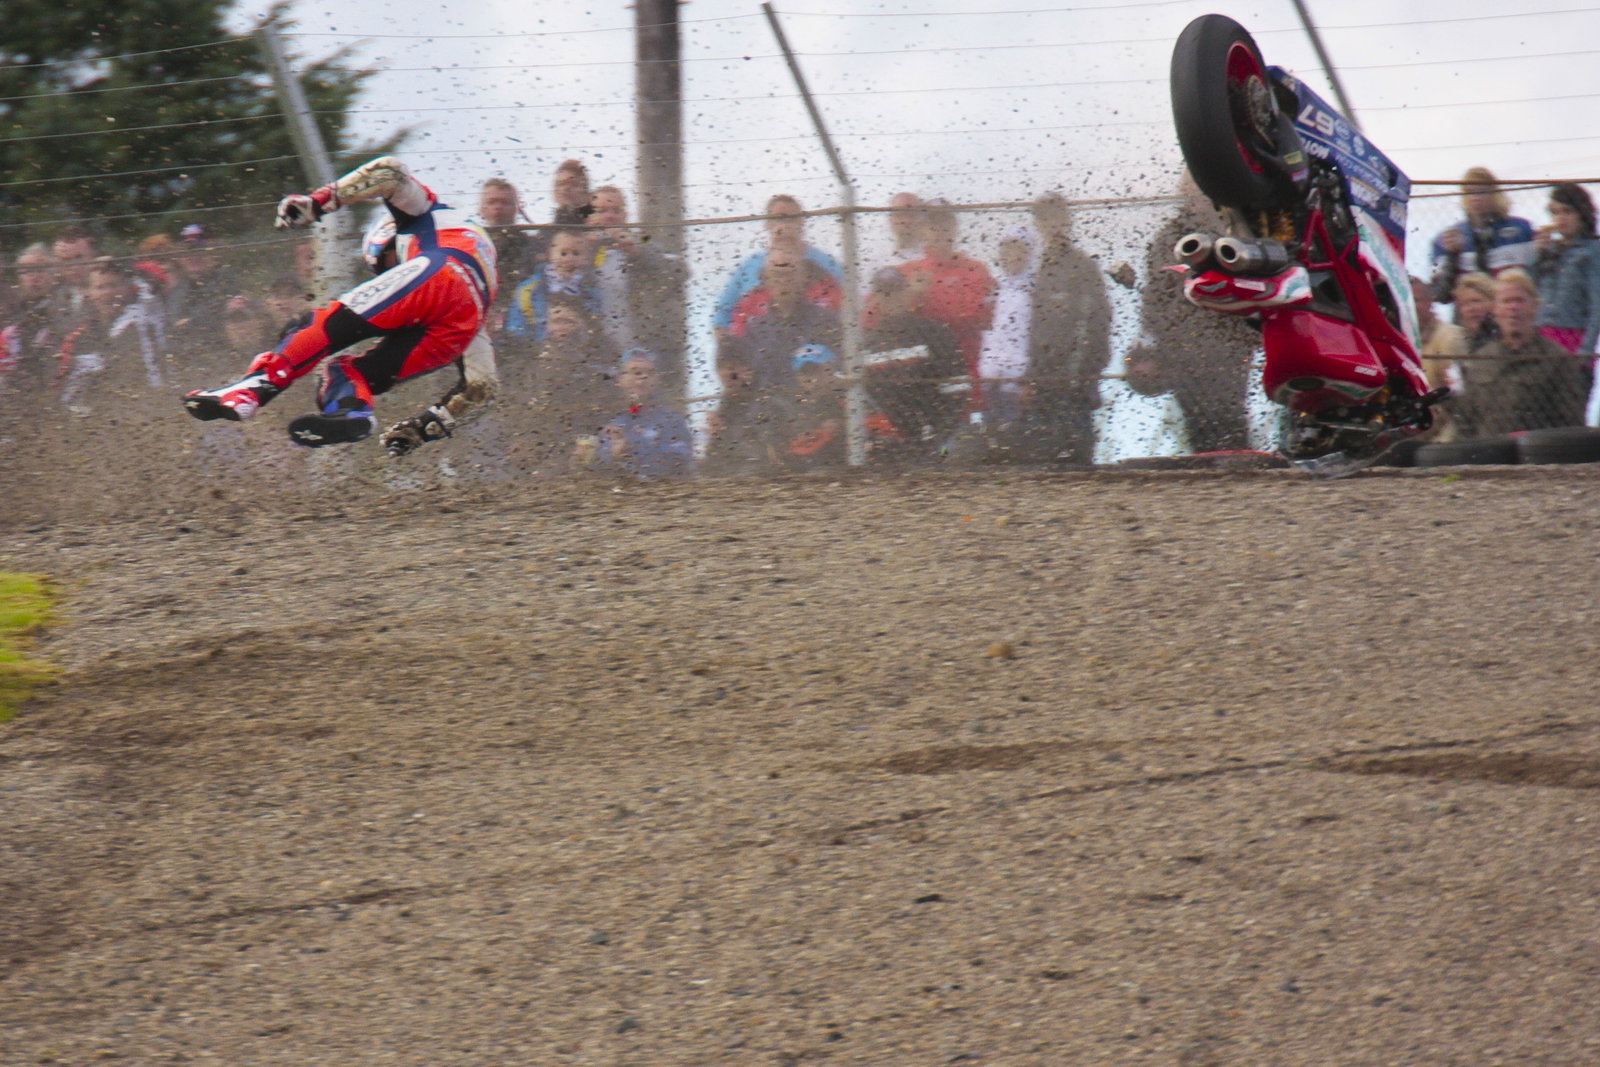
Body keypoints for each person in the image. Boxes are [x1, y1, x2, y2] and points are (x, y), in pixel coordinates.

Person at [181, 155, 499, 456]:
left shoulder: (423, 217)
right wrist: (420, 430)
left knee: (318, 325)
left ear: (388, 241)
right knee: (342, 370)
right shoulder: (469, 266)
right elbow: (482, 388)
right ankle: (352, 411)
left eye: (384, 266)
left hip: (438, 273)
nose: (386, 275)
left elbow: (388, 171)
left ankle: (252, 389)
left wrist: (318, 202)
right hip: (463, 324)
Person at [1123, 175, 1258, 454]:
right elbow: (1155, 291)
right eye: (1187, 184)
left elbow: (1250, 281)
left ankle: (1236, 459)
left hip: (1227, 344)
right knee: (1195, 415)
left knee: (1228, 410)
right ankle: (1204, 460)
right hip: (1181, 348)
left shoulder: (1229, 228)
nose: (1190, 191)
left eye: (1196, 184)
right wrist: (1158, 337)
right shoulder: (1168, 237)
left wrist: (1248, 334)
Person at [1024, 190, 1113, 463]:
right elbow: (1035, 326)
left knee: (1077, 453)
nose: (1052, 226)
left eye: (1057, 218)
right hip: (1044, 379)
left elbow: (1096, 322)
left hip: (1075, 380)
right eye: (1045, 220)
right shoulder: (1040, 267)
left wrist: (1077, 373)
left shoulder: (1082, 267)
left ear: (1067, 221)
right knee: (1042, 455)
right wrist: (1034, 372)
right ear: (1038, 225)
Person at [1452, 268, 1591, 436]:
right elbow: (1465, 421)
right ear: (1495, 309)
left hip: (1538, 457)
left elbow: (1572, 423)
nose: (1513, 308)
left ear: (1534, 306)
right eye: (1506, 301)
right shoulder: (1480, 361)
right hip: (1488, 456)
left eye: (1519, 301)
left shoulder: (1557, 359)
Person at [585, 184, 686, 393]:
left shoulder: (642, 242)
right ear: (589, 216)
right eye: (601, 211)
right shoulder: (580, 251)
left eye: (616, 210)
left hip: (642, 357)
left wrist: (636, 253)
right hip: (596, 356)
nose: (609, 217)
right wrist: (587, 248)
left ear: (626, 215)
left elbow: (678, 271)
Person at [861, 266, 965, 459]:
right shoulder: (866, 342)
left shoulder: (935, 332)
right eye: (884, 293)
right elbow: (861, 398)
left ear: (907, 293)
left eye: (896, 291)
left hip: (934, 436)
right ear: (875, 298)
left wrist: (939, 435)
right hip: (885, 440)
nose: (891, 298)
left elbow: (958, 390)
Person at [719, 244, 842, 399]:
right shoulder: (755, 331)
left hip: (817, 412)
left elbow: (842, 374)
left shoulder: (828, 322)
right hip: (769, 416)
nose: (783, 281)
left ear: (804, 277)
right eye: (777, 275)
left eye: (790, 274)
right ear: (765, 281)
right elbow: (748, 386)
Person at [713, 194, 843, 339]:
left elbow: (849, 311)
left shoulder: (827, 265)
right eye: (779, 218)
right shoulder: (749, 267)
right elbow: (721, 317)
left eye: (792, 218)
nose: (785, 225)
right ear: (767, 223)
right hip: (759, 349)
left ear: (802, 223)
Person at [1429, 167, 1536, 307]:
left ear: (1495, 194)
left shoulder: (1521, 229)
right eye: (1470, 192)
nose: (1476, 198)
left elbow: (1535, 283)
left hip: (1511, 313)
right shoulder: (1447, 238)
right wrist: (1452, 255)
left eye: (1482, 191)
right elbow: (1441, 295)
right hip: (1468, 319)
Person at [584, 349, 694, 479]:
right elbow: (596, 470)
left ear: (657, 379)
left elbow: (678, 463)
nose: (643, 377)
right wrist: (582, 461)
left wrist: (630, 452)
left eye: (650, 373)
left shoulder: (673, 421)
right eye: (636, 372)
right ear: (620, 379)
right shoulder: (607, 420)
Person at [977, 227, 1036, 440]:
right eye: (1007, 250)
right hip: (990, 379)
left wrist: (1029, 378)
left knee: (1016, 438)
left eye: (1019, 250)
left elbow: (1040, 336)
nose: (1013, 256)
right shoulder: (992, 288)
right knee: (989, 438)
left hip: (1019, 381)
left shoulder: (1037, 289)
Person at [1531, 182, 1600, 355]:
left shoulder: (1592, 251)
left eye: (1567, 212)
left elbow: (1596, 306)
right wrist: (1537, 255)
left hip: (1573, 336)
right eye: (1555, 212)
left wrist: (1585, 351)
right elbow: (1527, 286)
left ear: (1582, 214)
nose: (1561, 218)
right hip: (1541, 336)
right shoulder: (1549, 250)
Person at [504, 228, 602, 348]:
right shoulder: (530, 288)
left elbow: (594, 322)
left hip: (577, 348)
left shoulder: (589, 290)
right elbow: (516, 324)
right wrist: (525, 348)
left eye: (576, 253)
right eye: (563, 253)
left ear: (586, 258)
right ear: (550, 254)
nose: (569, 259)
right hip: (537, 352)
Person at [526, 159, 593, 266]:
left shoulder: (595, 230)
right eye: (560, 184)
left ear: (586, 194)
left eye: (573, 184)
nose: (565, 188)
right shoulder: (543, 236)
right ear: (554, 193)